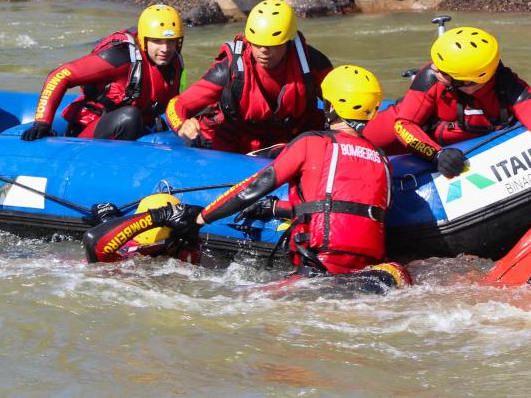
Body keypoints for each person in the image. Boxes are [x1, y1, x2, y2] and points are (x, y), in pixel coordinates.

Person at [153, 65, 396, 276]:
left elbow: (255, 187)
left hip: (317, 267)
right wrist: (275, 209)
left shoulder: (312, 143)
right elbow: (345, 210)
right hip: (368, 270)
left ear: (330, 106)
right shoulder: (383, 161)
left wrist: (200, 218)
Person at [362, 26, 531, 219]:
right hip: (415, 130)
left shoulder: (510, 88)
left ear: (467, 82)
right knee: (358, 140)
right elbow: (403, 124)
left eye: (443, 71)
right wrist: (436, 154)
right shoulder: (429, 78)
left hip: (457, 138)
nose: (434, 68)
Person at [165, 0, 332, 155]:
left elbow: (344, 104)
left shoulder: (312, 63)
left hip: (290, 142)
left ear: (288, 42)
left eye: (272, 45)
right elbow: (177, 104)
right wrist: (182, 124)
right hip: (236, 146)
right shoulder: (229, 69)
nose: (264, 51)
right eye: (257, 44)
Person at [21, 4, 185, 142]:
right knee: (129, 117)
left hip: (139, 129)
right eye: (157, 41)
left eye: (171, 41)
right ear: (143, 40)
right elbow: (60, 75)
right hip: (88, 134)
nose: (165, 49)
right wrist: (42, 123)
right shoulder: (120, 58)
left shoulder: (175, 63)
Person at [82, 193, 201, 264]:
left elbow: (92, 240)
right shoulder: (125, 256)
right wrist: (159, 216)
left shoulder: (186, 245)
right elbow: (91, 239)